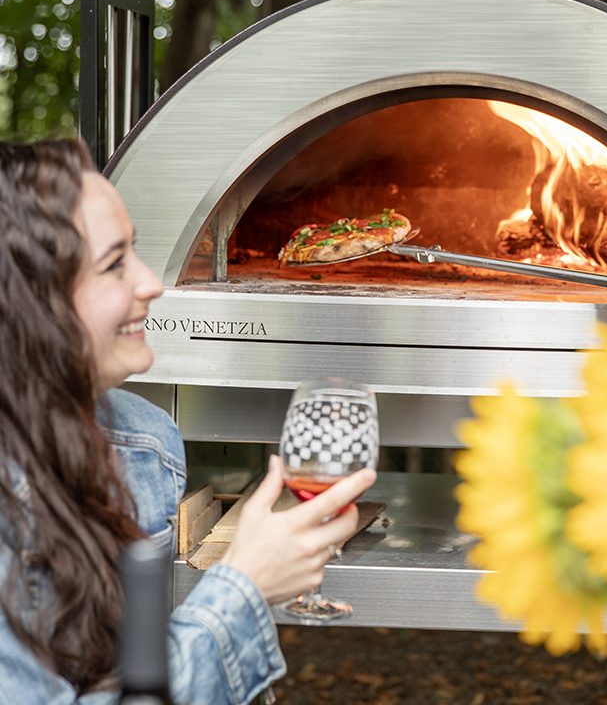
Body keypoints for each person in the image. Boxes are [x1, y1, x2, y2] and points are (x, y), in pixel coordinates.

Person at [0, 138, 375, 704]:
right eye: (113, 264)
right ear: (29, 301)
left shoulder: (141, 442)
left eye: (137, 252)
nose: (152, 283)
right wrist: (243, 589)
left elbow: (144, 666)